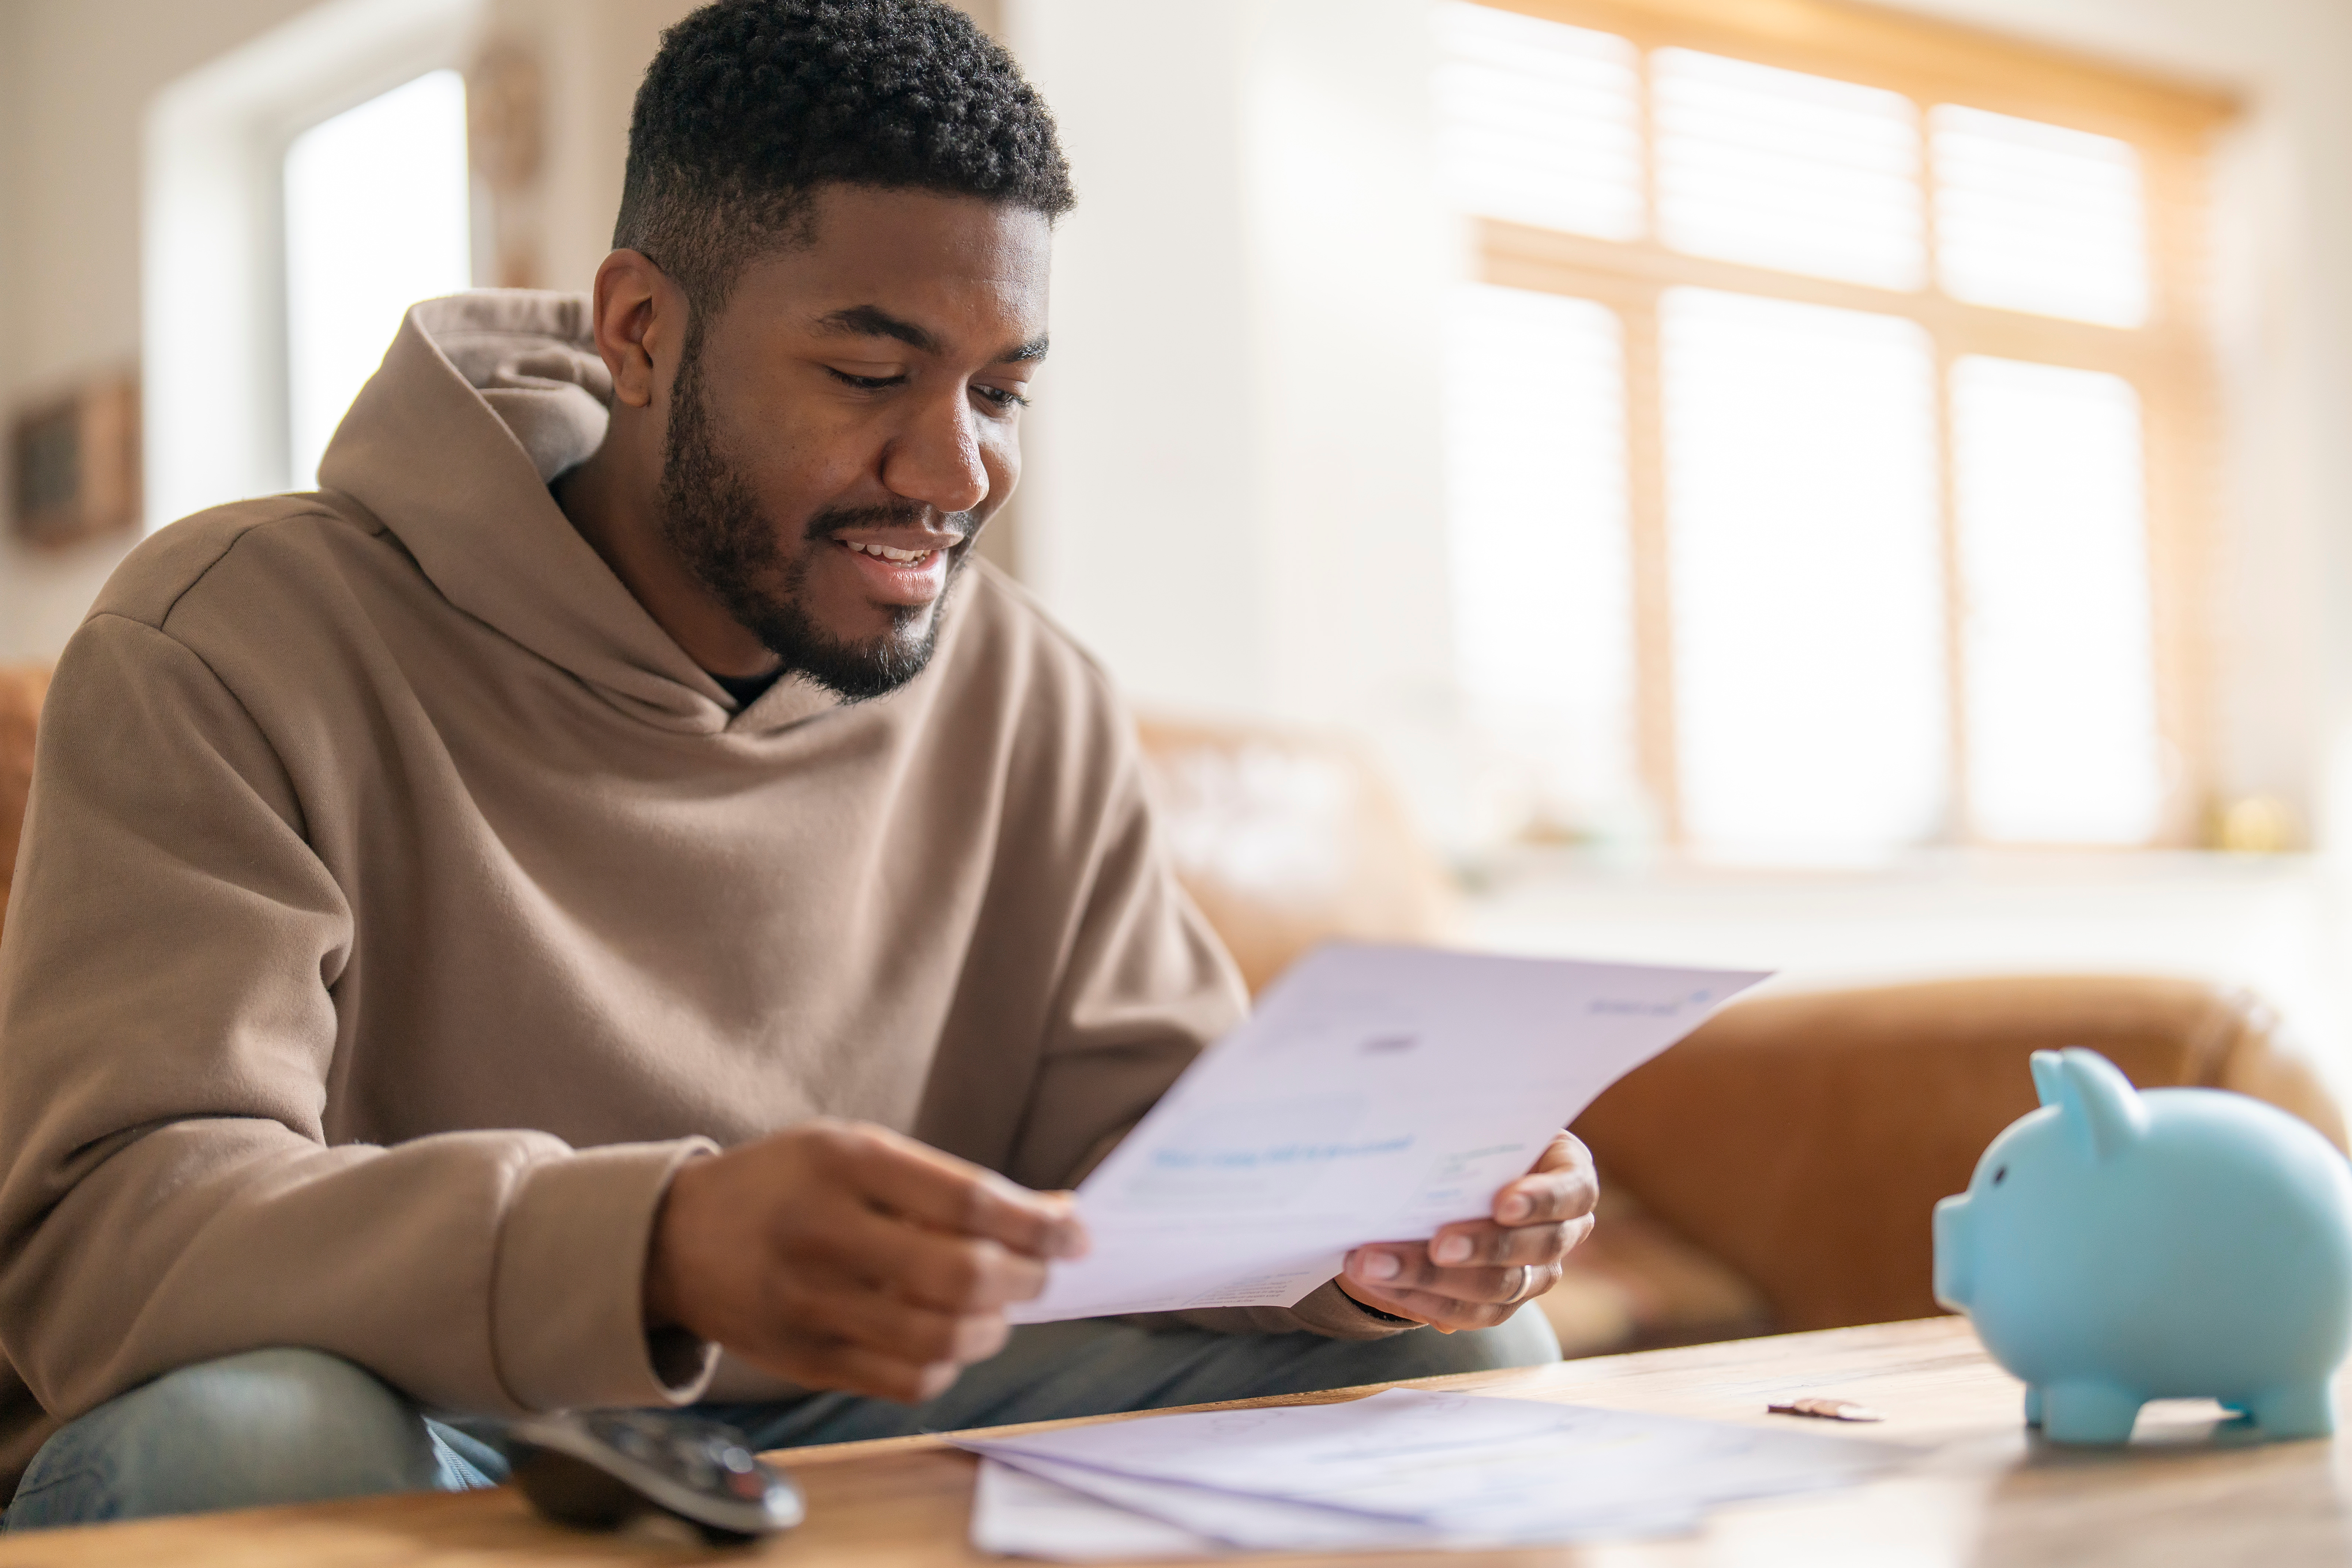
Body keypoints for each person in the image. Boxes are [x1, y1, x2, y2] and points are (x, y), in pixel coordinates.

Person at [0, 0, 1593, 1530]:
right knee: (243, 1437)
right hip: (447, 1429)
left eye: (1002, 389)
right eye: (869, 373)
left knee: (1462, 1359)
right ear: (640, 331)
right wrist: (658, 1248)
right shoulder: (236, 637)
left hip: (881, 1411)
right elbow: (108, 1232)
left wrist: (1363, 1242)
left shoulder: (1031, 693)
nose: (955, 471)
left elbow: (1154, 1172)